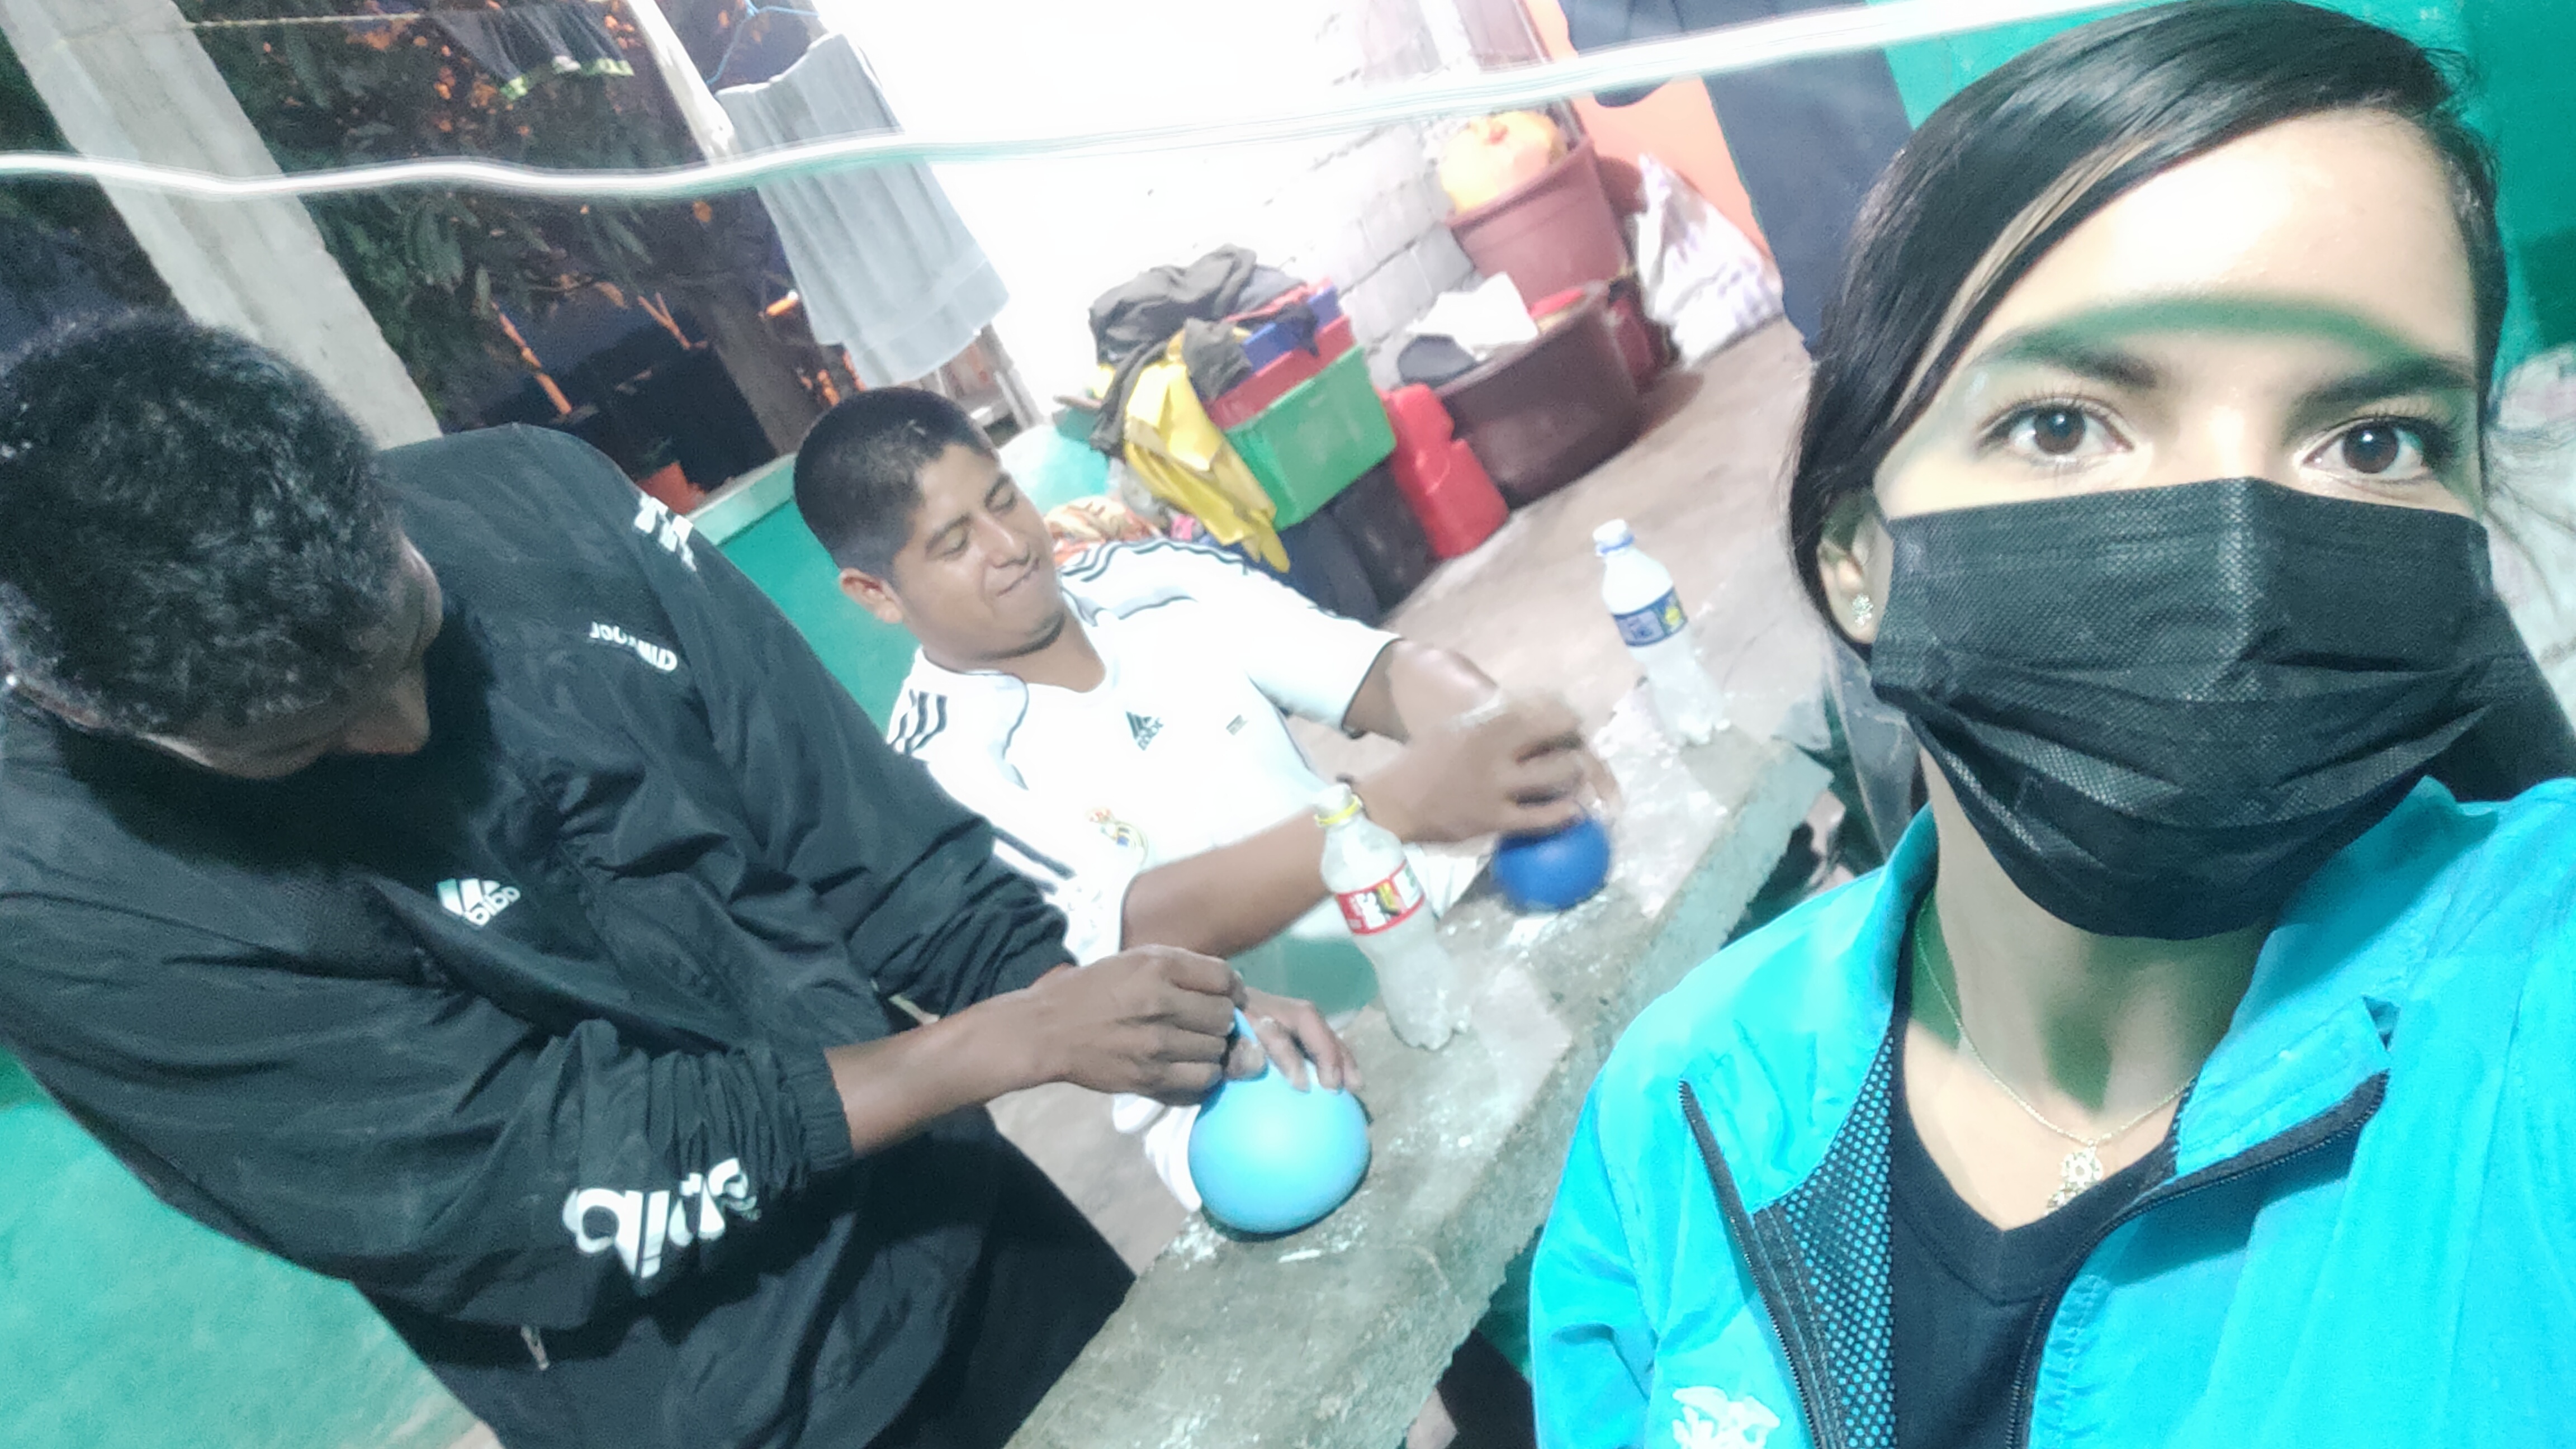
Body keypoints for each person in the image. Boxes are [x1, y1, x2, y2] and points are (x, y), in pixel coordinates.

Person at [0, 316, 1351, 1449]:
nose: (405, 728)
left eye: (417, 634)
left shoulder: (537, 500)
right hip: (712, 1403)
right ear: (91, 713)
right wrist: (992, 1047)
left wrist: (1105, 1000)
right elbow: (533, 1175)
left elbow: (866, 835)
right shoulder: (61, 891)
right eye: (305, 744)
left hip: (963, 1227)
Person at [1530, 6, 2576, 1448]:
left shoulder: (2530, 1003)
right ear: (1856, 553)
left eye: (2373, 440)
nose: (2236, 571)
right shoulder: (1683, 1114)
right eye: (2065, 424)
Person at [793, 387, 1611, 1203]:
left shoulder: (1157, 579)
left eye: (1004, 499)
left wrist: (1495, 727)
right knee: (1290, 1159)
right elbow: (1125, 933)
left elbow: (1380, 673)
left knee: (1572, 888)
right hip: (1234, 1060)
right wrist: (1388, 809)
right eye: (954, 543)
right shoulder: (936, 770)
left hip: (1411, 917)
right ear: (877, 593)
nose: (1010, 545)